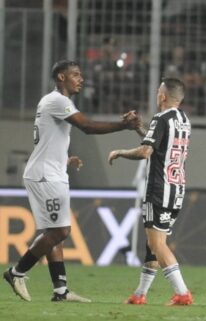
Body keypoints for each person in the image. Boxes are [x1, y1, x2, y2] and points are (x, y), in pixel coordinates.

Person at [3, 59, 141, 302]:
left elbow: (47, 139)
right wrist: (124, 126)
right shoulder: (57, 100)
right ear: (61, 78)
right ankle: (17, 272)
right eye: (75, 74)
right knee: (60, 231)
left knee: (53, 231)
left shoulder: (54, 102)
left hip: (51, 170)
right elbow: (87, 127)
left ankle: (60, 290)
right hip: (45, 175)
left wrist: (64, 159)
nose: (81, 78)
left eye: (81, 74)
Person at [108, 78, 193, 306]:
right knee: (153, 244)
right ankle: (139, 294)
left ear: (163, 96)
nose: (157, 94)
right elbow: (158, 146)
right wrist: (139, 128)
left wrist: (120, 152)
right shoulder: (184, 120)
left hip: (159, 189)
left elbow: (146, 151)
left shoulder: (161, 118)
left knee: (157, 245)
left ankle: (182, 293)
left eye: (158, 91)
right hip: (176, 188)